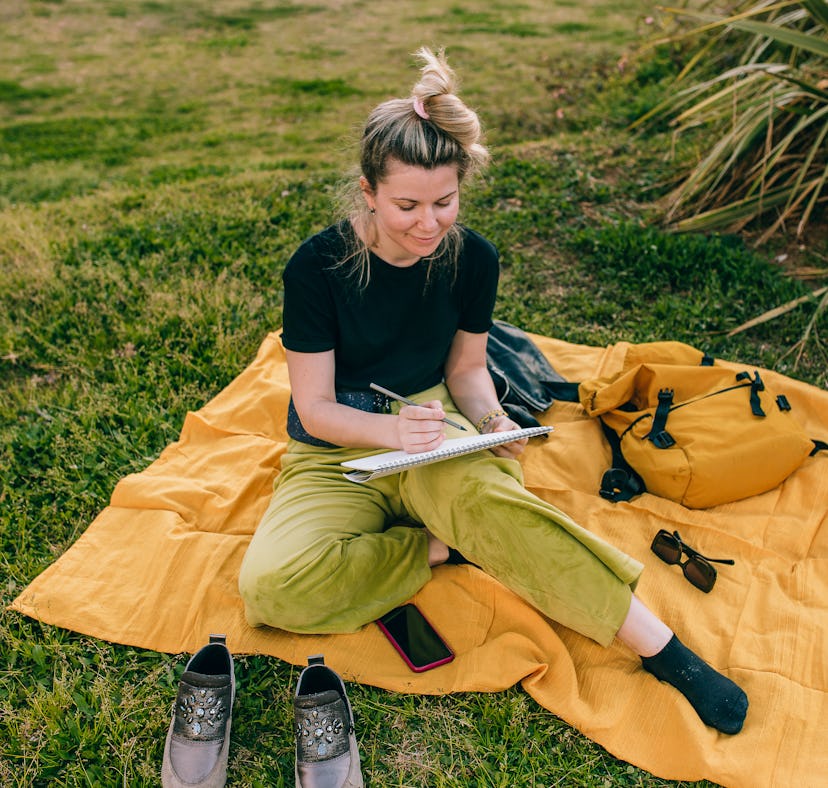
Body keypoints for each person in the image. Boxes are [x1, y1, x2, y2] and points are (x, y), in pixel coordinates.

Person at [238, 47, 748, 736]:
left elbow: (468, 371)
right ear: (367, 192)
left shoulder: (472, 257)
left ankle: (666, 652)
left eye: (444, 203)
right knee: (270, 589)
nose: (427, 224)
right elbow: (314, 408)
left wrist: (491, 419)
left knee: (497, 504)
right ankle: (440, 547)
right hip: (338, 450)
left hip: (432, 426)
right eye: (406, 205)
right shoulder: (317, 268)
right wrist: (392, 433)